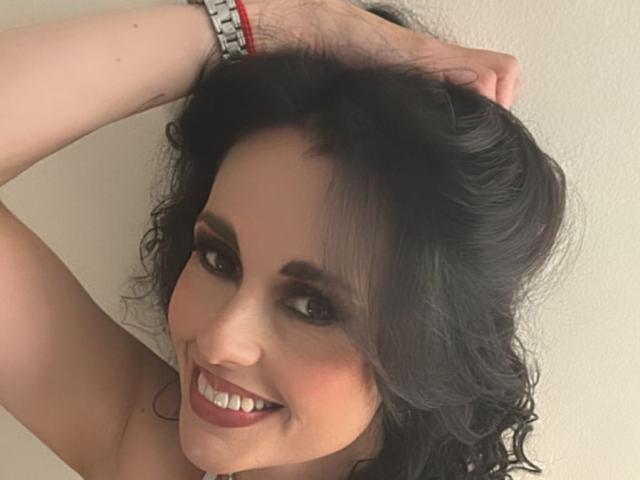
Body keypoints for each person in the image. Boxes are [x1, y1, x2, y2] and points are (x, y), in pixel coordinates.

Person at [0, 1, 565, 479]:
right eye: (218, 258)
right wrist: (275, 23)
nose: (220, 341)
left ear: (431, 354)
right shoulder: (151, 450)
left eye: (314, 306)